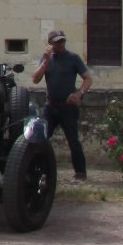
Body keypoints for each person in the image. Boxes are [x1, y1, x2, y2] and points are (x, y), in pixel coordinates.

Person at [32, 28, 91, 180]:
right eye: (57, 42)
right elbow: (35, 79)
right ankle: (36, 169)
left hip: (68, 106)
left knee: (73, 140)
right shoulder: (47, 59)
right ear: (50, 44)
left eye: (62, 41)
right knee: (40, 137)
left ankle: (80, 172)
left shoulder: (73, 58)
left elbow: (88, 78)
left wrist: (79, 93)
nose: (60, 44)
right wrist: (45, 62)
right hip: (51, 106)